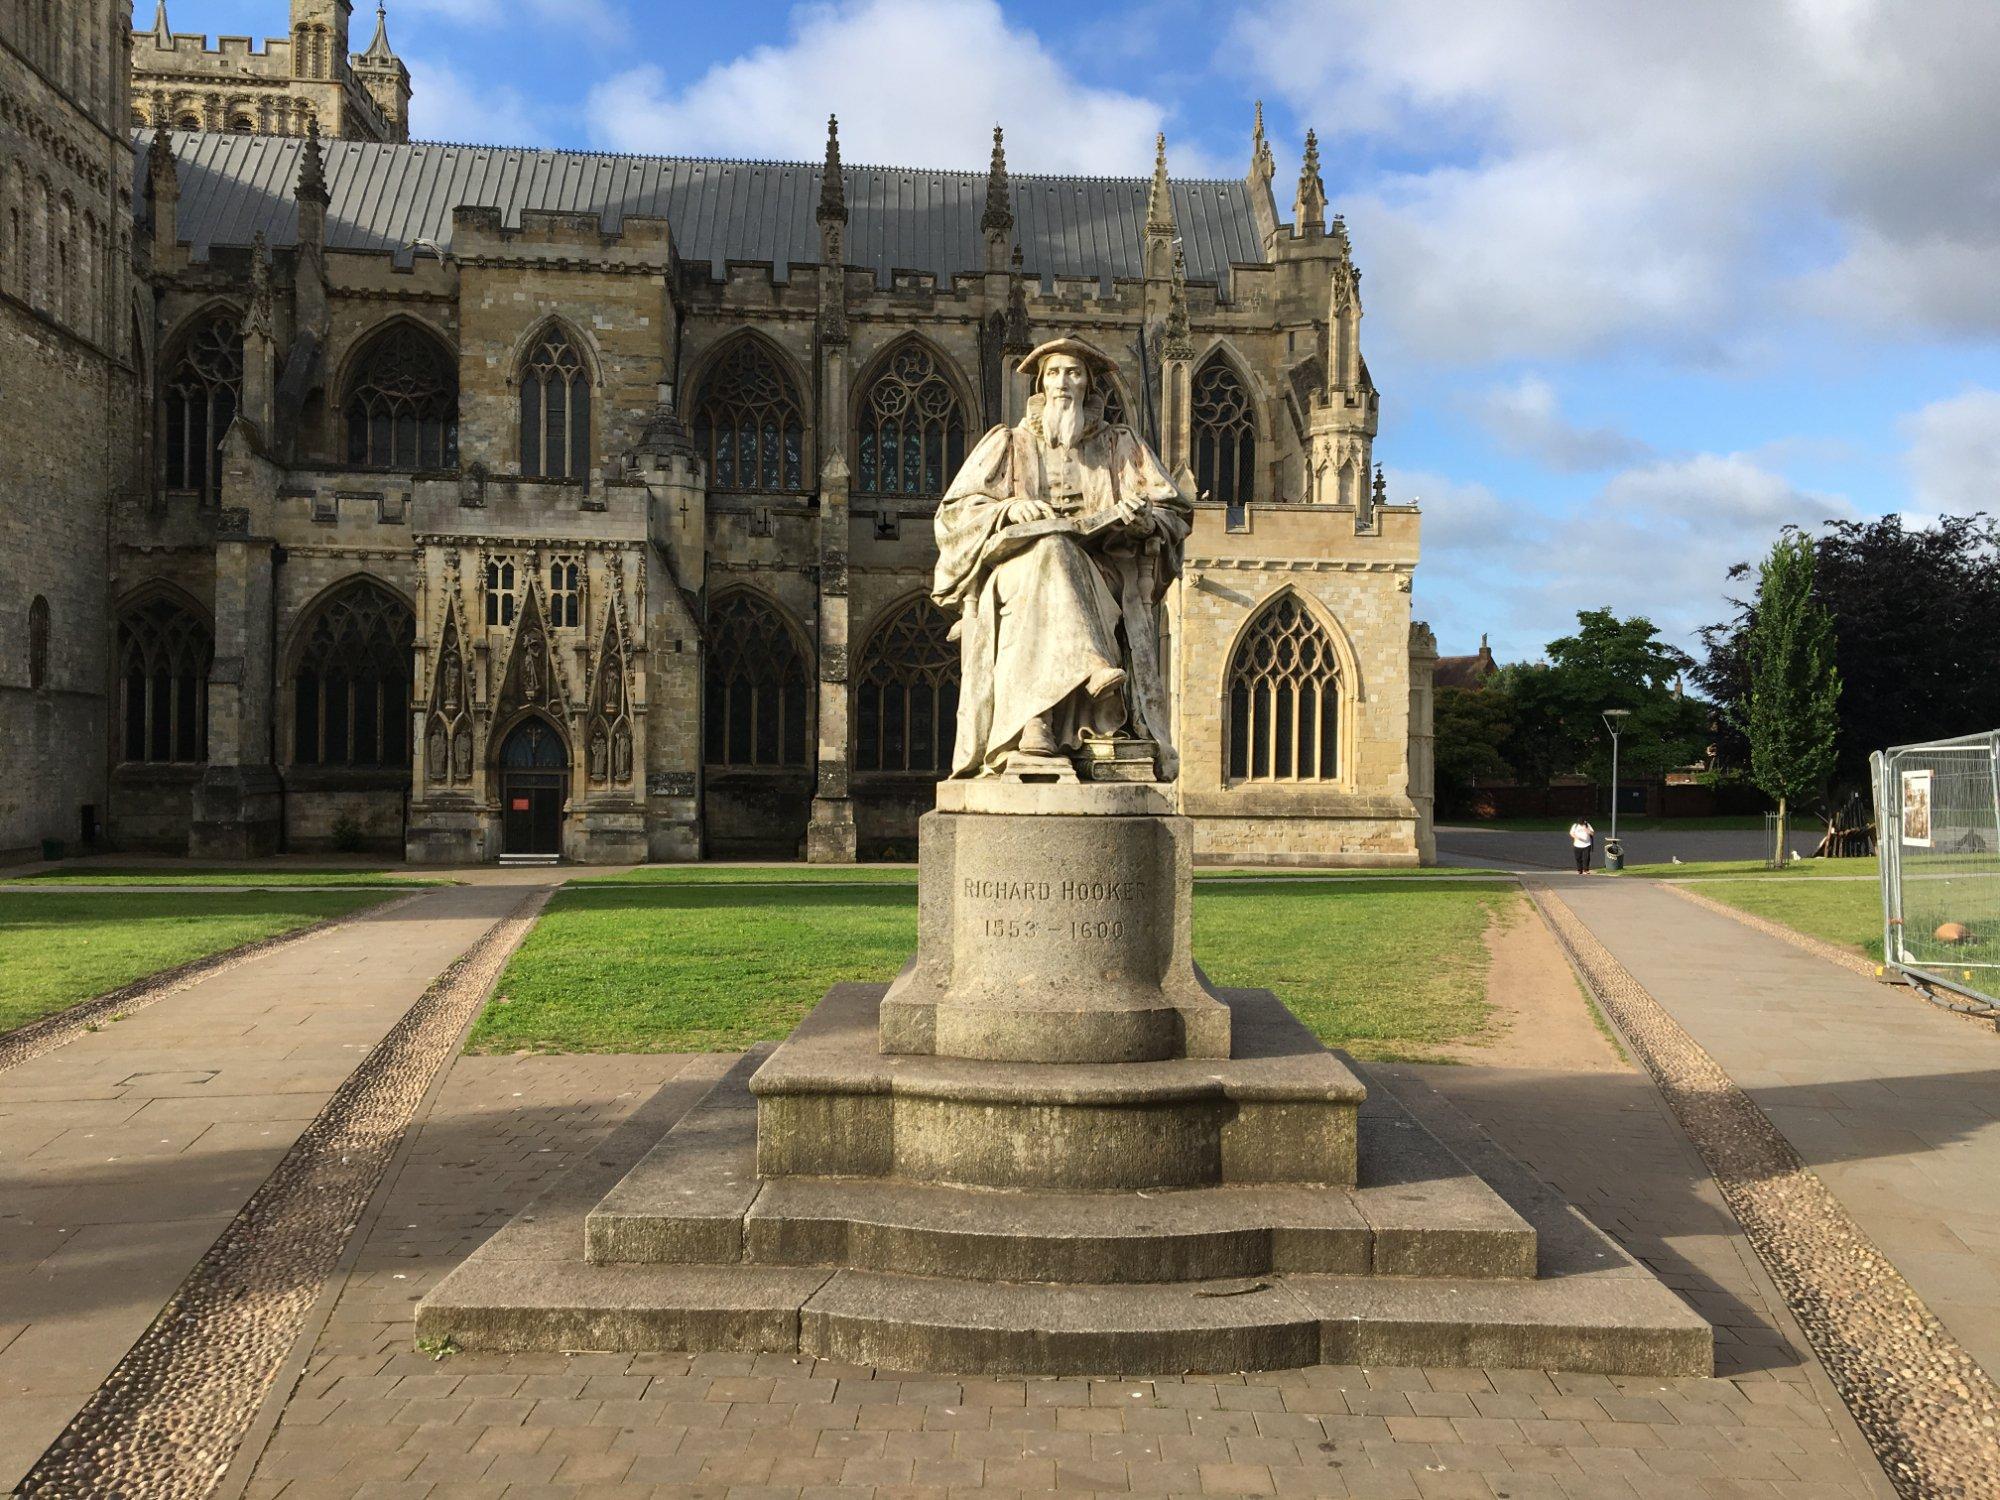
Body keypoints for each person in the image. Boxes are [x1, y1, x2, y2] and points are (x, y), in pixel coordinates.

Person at [932, 337, 1192, 777]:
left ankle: (1039, 724)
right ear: (1041, 384)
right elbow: (954, 514)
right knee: (1051, 546)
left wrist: (1142, 519)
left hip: (1102, 574)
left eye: (1073, 372)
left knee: (1060, 549)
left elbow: (1175, 511)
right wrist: (1007, 509)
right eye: (1053, 373)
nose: (1062, 383)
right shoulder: (1008, 443)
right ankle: (1089, 671)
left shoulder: (1121, 445)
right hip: (1014, 573)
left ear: (1089, 385)